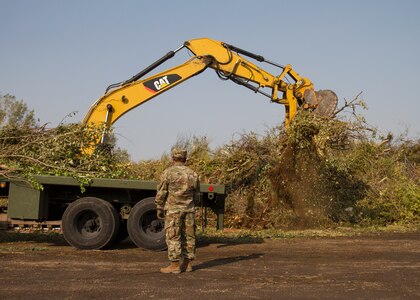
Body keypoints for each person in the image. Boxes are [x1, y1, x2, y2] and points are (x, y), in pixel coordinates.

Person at [155, 148, 200, 274]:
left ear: (173, 158)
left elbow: (162, 192)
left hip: (173, 210)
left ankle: (174, 265)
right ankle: (188, 264)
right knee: (189, 236)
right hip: (189, 210)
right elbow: (197, 195)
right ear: (185, 158)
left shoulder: (167, 173)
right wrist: (193, 205)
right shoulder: (193, 174)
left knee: (173, 235)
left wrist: (159, 206)